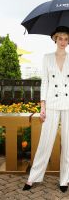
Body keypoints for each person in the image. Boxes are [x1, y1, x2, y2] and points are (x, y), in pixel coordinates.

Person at [23, 26, 69, 193]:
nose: (63, 42)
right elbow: (45, 83)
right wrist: (43, 106)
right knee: (45, 141)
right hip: (51, 103)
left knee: (68, 143)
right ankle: (33, 177)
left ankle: (65, 180)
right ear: (55, 39)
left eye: (66, 38)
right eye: (60, 38)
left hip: (68, 104)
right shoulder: (47, 58)